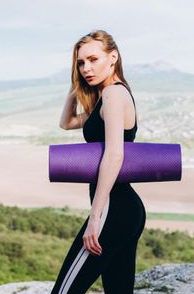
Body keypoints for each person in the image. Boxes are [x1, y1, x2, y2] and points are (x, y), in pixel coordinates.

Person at [51, 29, 146, 293]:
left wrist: (96, 216)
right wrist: (74, 88)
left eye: (93, 59)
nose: (85, 68)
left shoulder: (115, 94)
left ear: (112, 57)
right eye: (81, 63)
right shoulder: (104, 98)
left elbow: (115, 155)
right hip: (124, 210)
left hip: (113, 210)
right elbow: (66, 122)